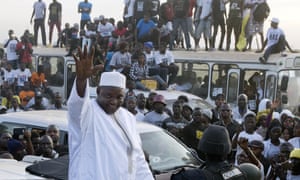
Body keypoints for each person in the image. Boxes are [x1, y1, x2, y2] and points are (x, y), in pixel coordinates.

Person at [67, 46, 154, 179]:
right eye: (108, 96)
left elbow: (138, 159)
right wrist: (81, 80)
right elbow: (76, 106)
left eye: (119, 97)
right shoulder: (88, 113)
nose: (113, 101)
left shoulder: (128, 118)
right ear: (98, 92)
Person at [171, 125, 247, 179]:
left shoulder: (194, 176)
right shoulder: (239, 171)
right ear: (227, 149)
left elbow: (172, 177)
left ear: (203, 148)